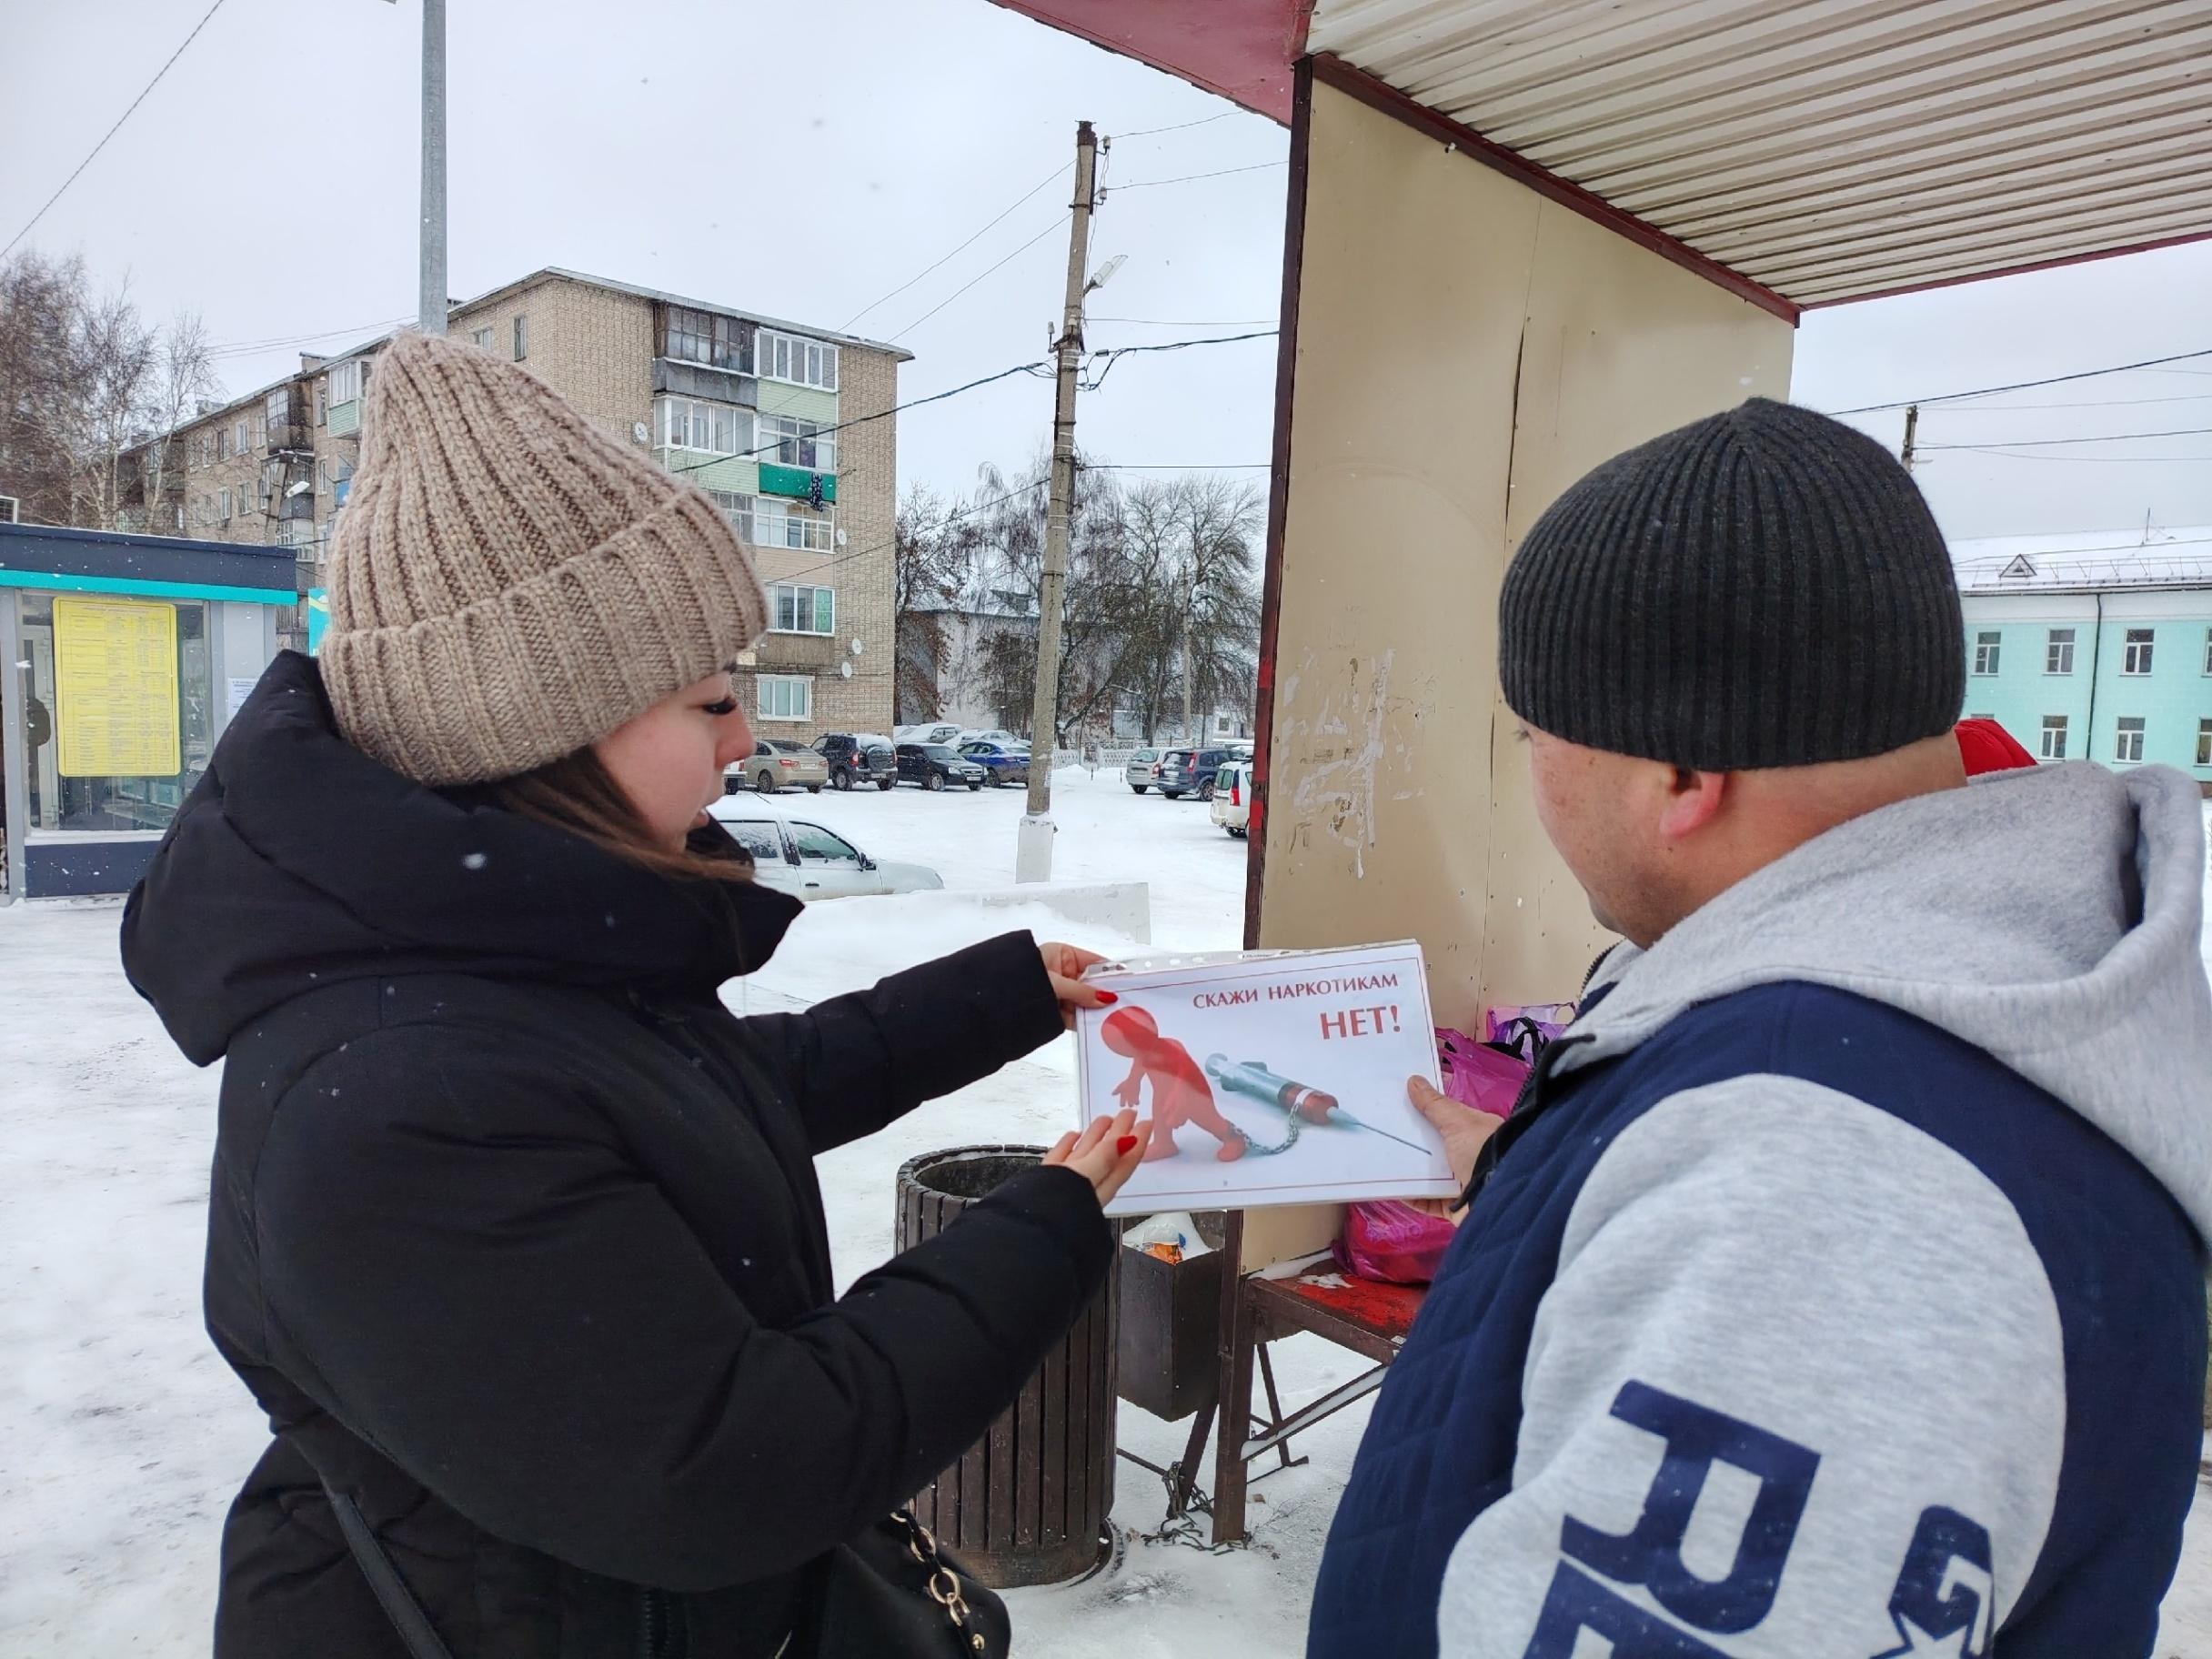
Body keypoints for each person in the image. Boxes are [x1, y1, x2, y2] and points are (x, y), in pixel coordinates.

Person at [120, 329, 1152, 1659]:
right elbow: (735, 1465)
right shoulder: (394, 1100)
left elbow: (695, 1104)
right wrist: (1044, 1229)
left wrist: (996, 996)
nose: (748, 739)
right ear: (538, 731)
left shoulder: (497, 948)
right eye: (712, 701)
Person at [1310, 398, 2210, 1657]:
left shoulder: (1827, 1176)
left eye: (1534, 734)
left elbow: (1809, 1241)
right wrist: (1535, 1176)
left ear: (1683, 774)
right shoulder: (1883, 1038)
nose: (1533, 775)